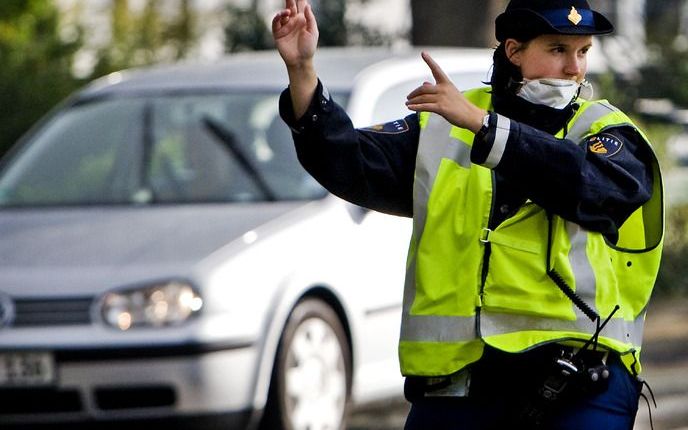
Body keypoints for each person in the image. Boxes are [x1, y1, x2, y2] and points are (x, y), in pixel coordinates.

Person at [273, 0, 664, 428]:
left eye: (583, 51)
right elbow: (346, 160)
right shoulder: (443, 124)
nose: (575, 68)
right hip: (459, 386)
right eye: (557, 50)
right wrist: (302, 71)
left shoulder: (606, 131)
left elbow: (596, 190)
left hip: (581, 381)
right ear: (514, 51)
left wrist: (486, 127)